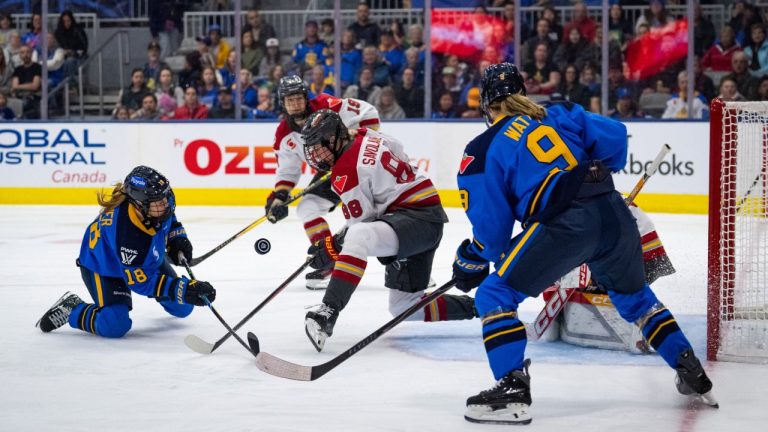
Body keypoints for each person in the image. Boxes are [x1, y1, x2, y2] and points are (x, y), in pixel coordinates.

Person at [453, 63, 716, 425]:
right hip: (613, 212)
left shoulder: (480, 149)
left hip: (566, 225)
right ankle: (690, 369)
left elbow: (493, 236)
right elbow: (616, 140)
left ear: (486, 105)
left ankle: (512, 390)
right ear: (523, 92)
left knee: (493, 295)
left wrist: (470, 260)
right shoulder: (558, 112)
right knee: (635, 299)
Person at [300, 109, 476, 352]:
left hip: (416, 219)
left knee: (358, 236)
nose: (316, 154)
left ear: (335, 137)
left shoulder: (346, 171)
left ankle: (328, 311)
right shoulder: (365, 134)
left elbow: (361, 226)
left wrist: (330, 249)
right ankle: (482, 307)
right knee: (405, 306)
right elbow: (397, 146)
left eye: (319, 145)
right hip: (422, 218)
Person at [36, 166, 216, 338]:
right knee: (114, 325)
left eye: (165, 196)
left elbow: (169, 217)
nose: (165, 203)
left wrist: (177, 238)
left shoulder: (153, 208)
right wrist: (185, 289)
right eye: (158, 201)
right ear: (139, 204)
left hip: (141, 260)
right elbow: (141, 282)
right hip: (104, 268)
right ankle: (72, 309)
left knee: (183, 308)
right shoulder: (127, 235)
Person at [267, 75, 380, 290]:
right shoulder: (284, 134)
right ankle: (328, 260)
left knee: (373, 216)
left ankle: (405, 265)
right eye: (289, 100)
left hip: (359, 166)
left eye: (298, 98)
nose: (295, 103)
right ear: (282, 103)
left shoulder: (327, 105)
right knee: (307, 207)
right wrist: (280, 196)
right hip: (333, 172)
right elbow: (288, 170)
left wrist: (360, 140)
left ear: (305, 97)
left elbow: (369, 113)